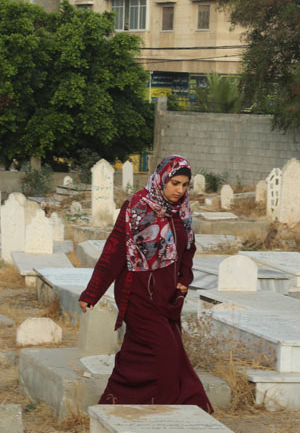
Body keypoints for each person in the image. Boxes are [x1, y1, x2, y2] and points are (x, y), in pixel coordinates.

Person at [78, 155, 212, 412]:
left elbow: (188, 248)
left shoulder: (181, 211)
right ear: (162, 179)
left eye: (185, 185)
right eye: (174, 183)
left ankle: (116, 406)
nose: (179, 190)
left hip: (168, 298)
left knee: (138, 355)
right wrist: (92, 292)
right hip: (138, 295)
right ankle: (169, 407)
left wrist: (185, 278)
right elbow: (113, 251)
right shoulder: (137, 207)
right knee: (166, 353)